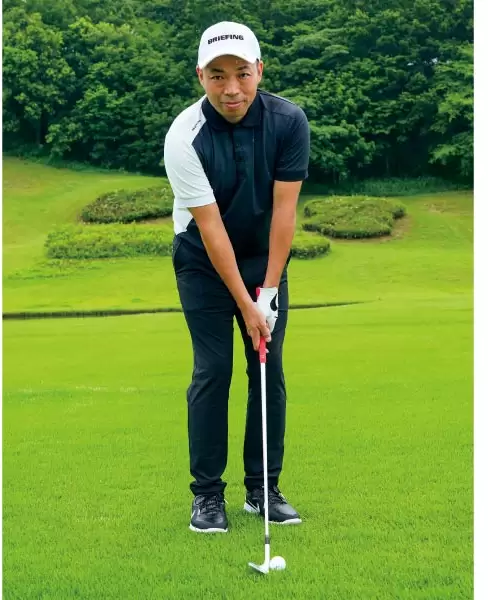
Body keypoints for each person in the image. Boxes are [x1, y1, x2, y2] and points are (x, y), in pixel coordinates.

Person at [163, 21, 310, 534]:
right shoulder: (184, 137)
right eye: (218, 75)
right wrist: (247, 307)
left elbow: (284, 212)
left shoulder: (288, 122)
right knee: (213, 369)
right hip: (203, 260)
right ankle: (207, 496)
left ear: (259, 71)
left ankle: (263, 488)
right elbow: (211, 228)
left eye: (242, 74)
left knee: (268, 369)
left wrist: (267, 292)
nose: (231, 88)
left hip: (264, 258)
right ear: (200, 76)